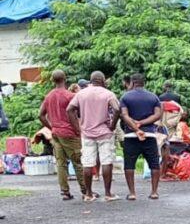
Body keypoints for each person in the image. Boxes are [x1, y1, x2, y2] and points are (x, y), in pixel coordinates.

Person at [66, 71, 121, 202]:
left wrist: (77, 127)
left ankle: (89, 194)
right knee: (106, 161)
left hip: (87, 134)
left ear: (91, 81)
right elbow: (117, 109)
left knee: (87, 163)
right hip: (105, 133)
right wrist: (112, 126)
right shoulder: (108, 94)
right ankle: (108, 193)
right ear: (102, 81)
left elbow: (69, 109)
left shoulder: (81, 93)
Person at [39, 70, 86, 200]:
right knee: (78, 162)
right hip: (70, 133)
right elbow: (77, 115)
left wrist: (51, 126)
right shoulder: (70, 96)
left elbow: (40, 115)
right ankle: (85, 190)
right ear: (65, 79)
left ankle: (65, 192)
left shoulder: (49, 96)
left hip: (56, 133)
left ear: (53, 81)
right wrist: (78, 130)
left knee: (61, 163)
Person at [120, 73, 163, 200]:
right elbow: (157, 115)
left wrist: (135, 127)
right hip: (149, 134)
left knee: (129, 164)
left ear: (132, 83)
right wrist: (143, 123)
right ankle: (154, 192)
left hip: (130, 135)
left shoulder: (125, 97)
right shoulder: (153, 97)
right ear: (144, 83)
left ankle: (132, 193)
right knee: (154, 163)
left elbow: (124, 115)